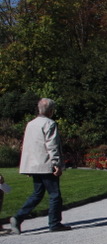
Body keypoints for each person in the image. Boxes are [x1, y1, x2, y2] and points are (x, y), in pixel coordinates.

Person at [10, 98, 71, 234]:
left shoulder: (31, 124)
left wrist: (27, 166)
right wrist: (56, 163)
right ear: (51, 110)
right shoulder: (50, 124)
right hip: (46, 164)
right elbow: (52, 145)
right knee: (55, 195)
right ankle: (54, 223)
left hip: (35, 164)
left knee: (37, 194)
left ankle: (18, 218)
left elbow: (27, 146)